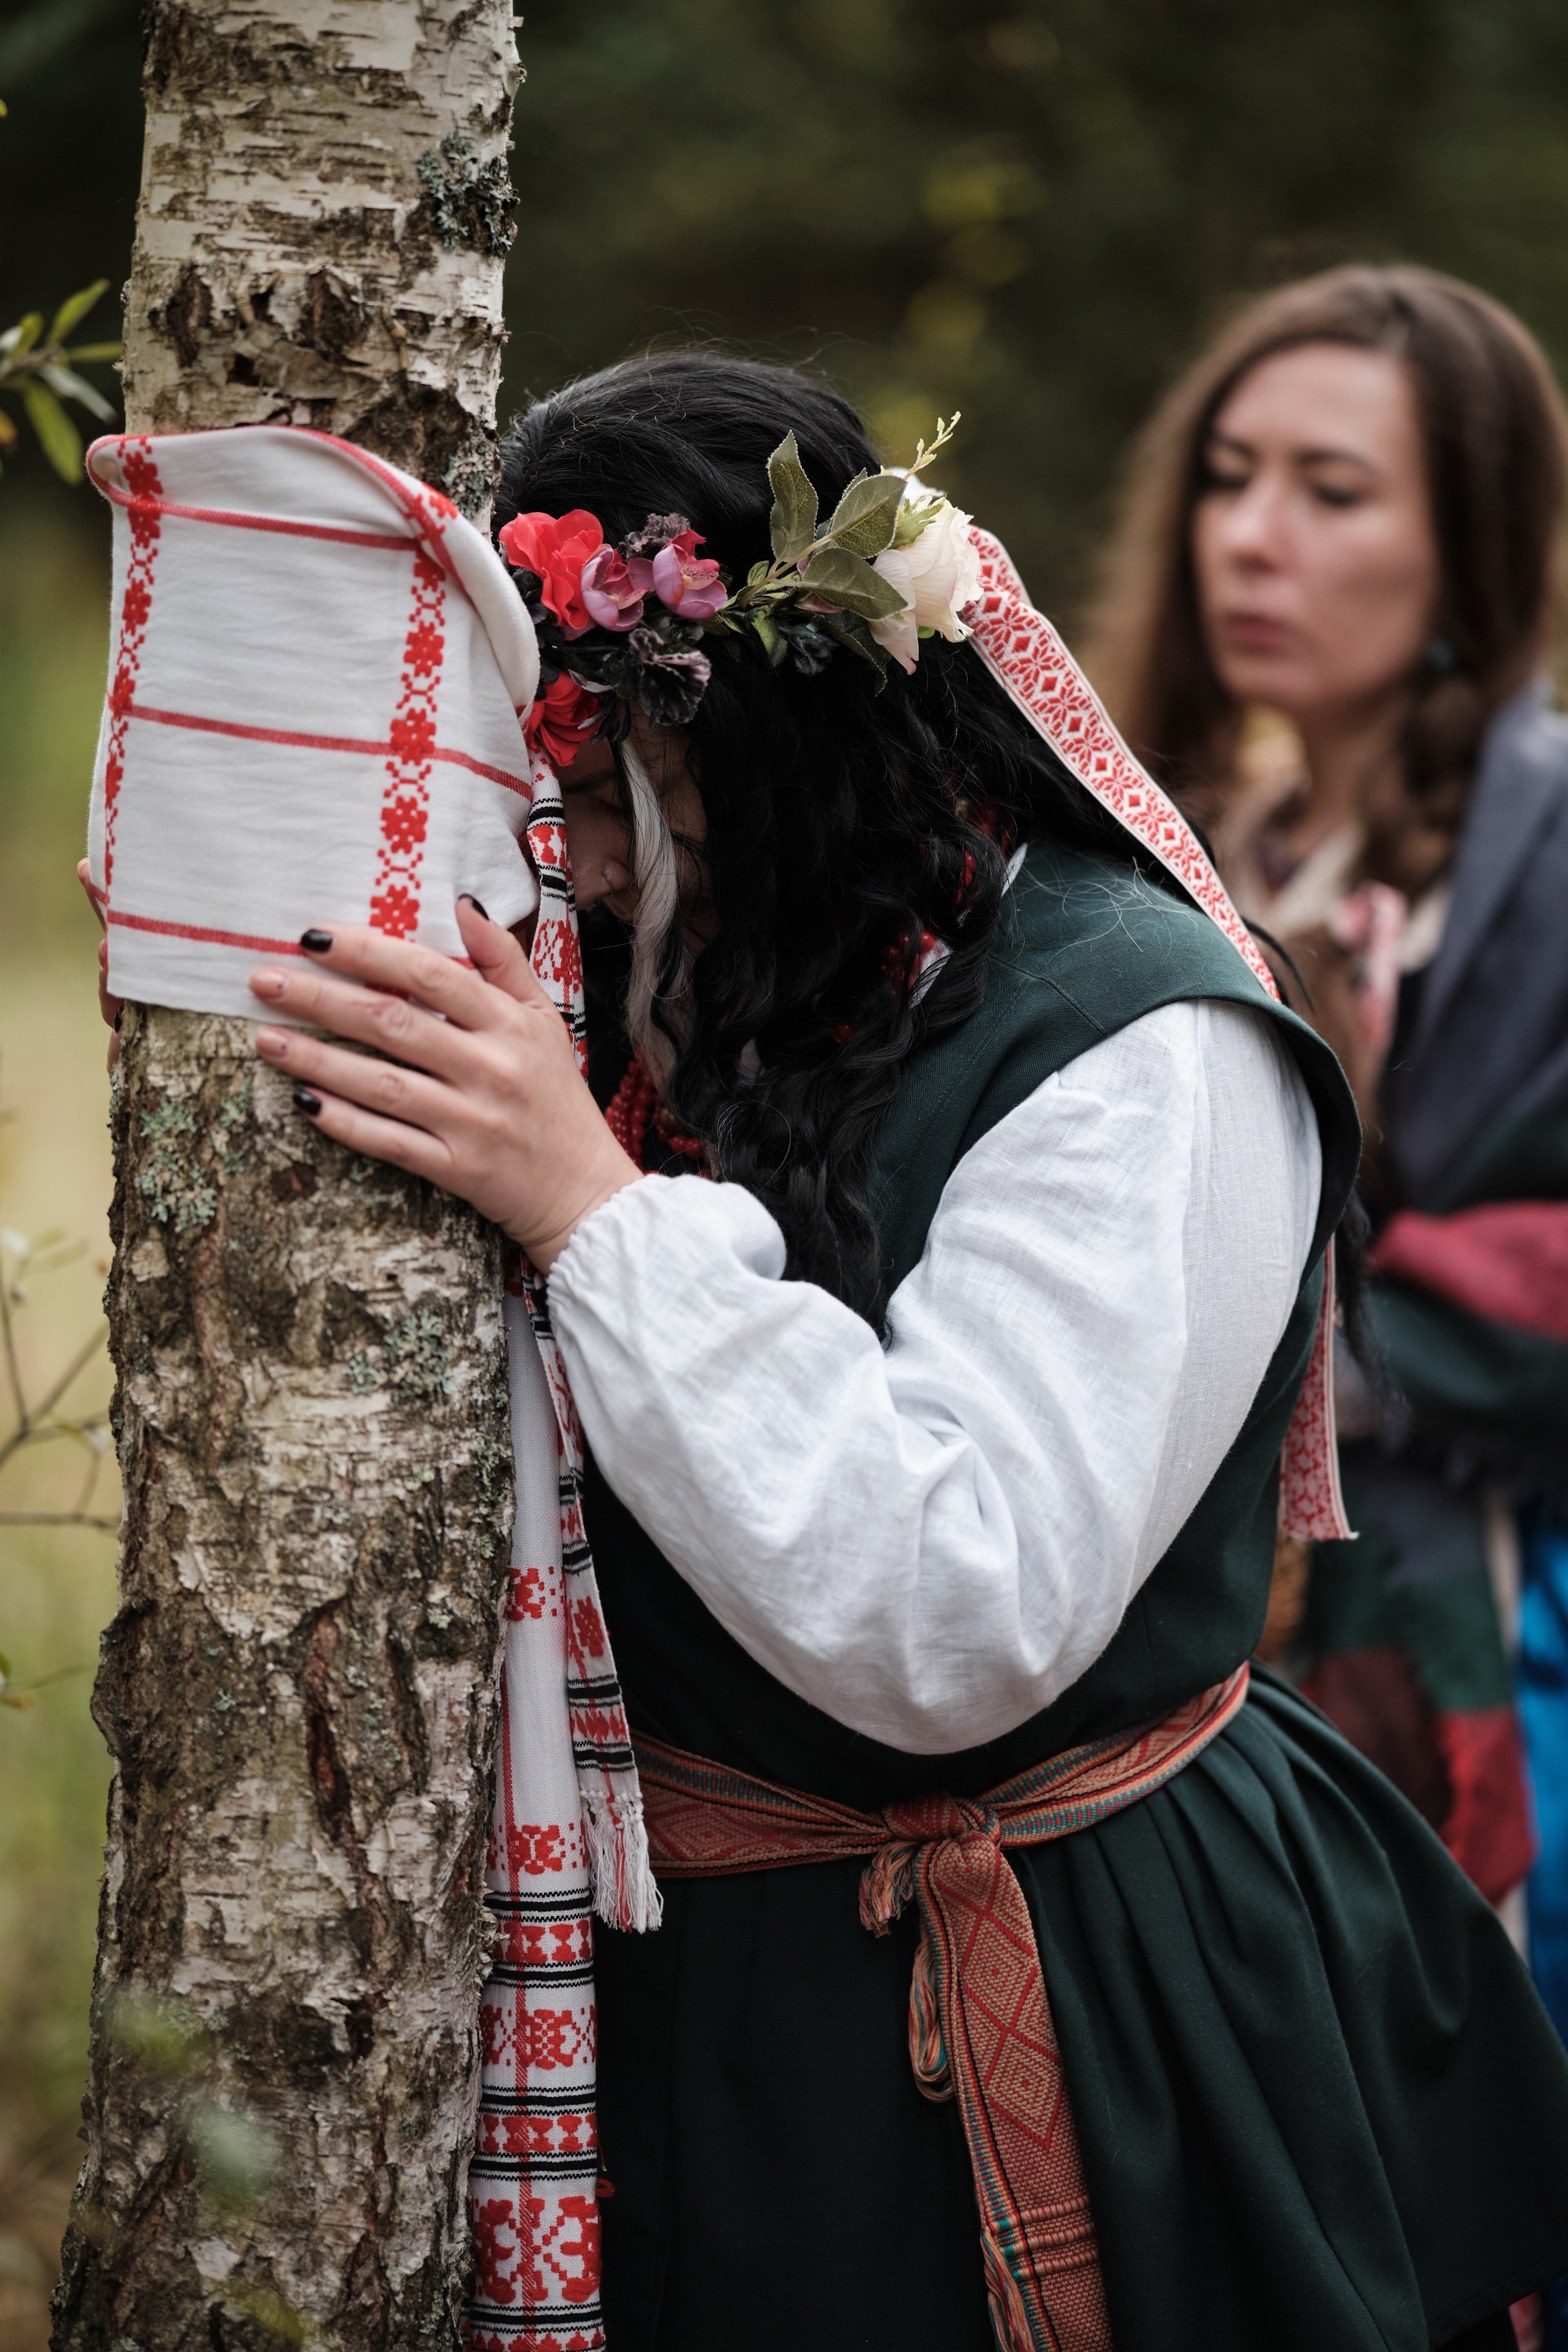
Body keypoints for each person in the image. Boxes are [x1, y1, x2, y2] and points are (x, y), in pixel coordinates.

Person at [104, 354, 1568, 2350]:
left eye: (614, 769)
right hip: (690, 1992)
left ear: (781, 742)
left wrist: (595, 1216)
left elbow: (957, 1604)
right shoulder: (670, 960)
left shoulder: (1143, 1039)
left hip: (1066, 1985)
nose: (578, 856)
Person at [1086, 266, 1568, 2028]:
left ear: (1472, 543)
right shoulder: (1156, 844)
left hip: (1486, 1633)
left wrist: (1286, 1344)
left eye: (1331, 491)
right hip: (1175, 1648)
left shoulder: (1551, 848)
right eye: (1226, 476)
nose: (1249, 537)